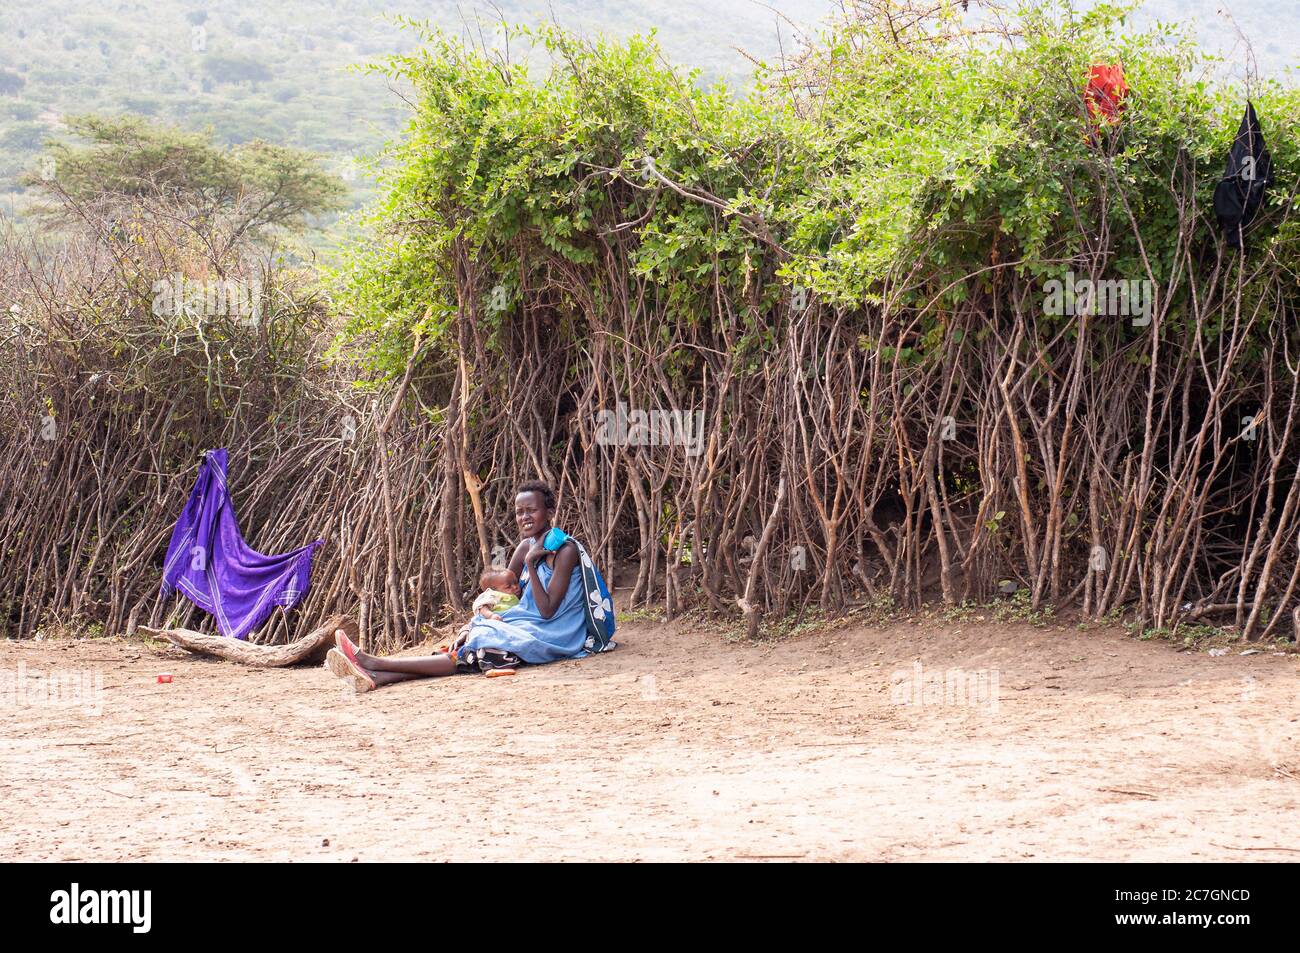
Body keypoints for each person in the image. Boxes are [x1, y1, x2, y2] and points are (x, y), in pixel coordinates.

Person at [325, 480, 592, 693]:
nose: (524, 517)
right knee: (474, 637)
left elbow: (547, 611)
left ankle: (374, 663)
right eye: (519, 512)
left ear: (549, 512)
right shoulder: (526, 546)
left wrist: (532, 565)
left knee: (482, 643)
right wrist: (482, 615)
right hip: (530, 622)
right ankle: (375, 677)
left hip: (556, 632)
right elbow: (500, 591)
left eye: (531, 510)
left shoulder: (565, 550)